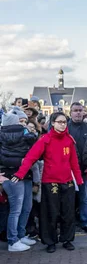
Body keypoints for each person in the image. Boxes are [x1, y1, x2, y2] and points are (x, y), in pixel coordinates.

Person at [14, 112, 83, 253]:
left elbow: (74, 162)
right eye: (59, 122)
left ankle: (67, 239)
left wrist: (79, 179)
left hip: (67, 182)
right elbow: (30, 157)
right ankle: (50, 241)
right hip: (51, 182)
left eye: (64, 122)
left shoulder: (69, 140)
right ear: (52, 123)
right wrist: (20, 173)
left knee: (68, 213)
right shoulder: (45, 139)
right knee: (51, 213)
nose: (62, 124)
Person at [0, 107, 37, 252]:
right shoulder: (26, 135)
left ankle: (20, 236)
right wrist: (22, 161)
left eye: (24, 121)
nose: (24, 123)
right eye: (21, 121)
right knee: (16, 209)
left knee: (25, 208)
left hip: (23, 174)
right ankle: (13, 240)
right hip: (14, 176)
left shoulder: (23, 135)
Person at [68, 102, 87, 233]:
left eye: (80, 110)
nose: (78, 113)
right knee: (68, 198)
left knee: (84, 197)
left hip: (84, 169)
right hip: (68, 170)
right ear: (70, 113)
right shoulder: (66, 127)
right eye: (75, 110)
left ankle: (84, 222)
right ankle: (69, 222)